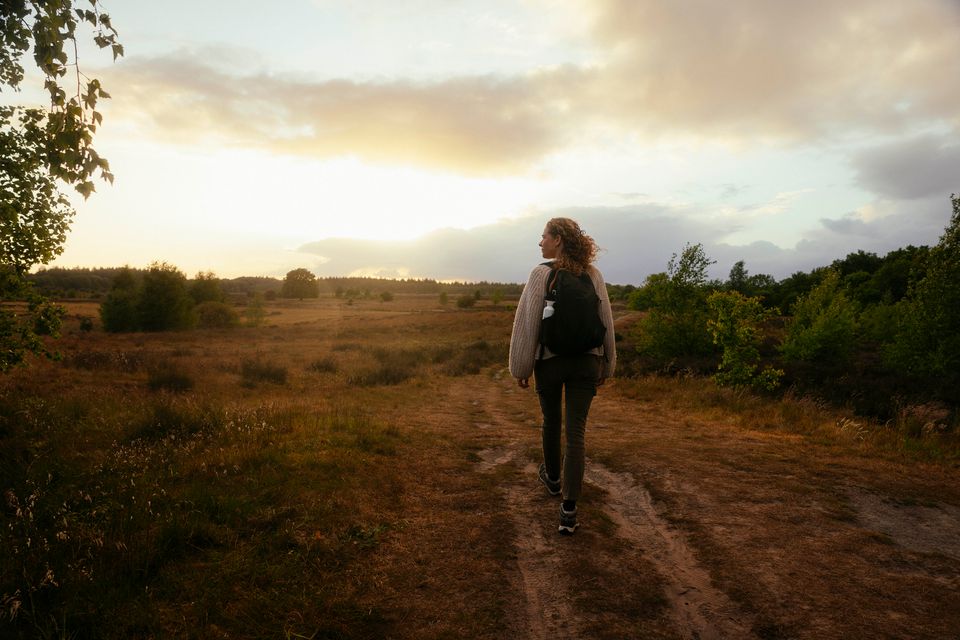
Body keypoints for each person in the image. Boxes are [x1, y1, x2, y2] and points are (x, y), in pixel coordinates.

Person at [508, 217, 616, 534]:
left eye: (543, 237)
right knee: (576, 432)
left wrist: (520, 367)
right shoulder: (592, 274)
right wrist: (607, 365)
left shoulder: (541, 273)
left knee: (552, 421)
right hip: (587, 363)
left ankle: (553, 479)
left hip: (551, 363)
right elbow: (606, 320)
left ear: (557, 240)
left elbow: (527, 323)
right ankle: (569, 509)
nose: (540, 243)